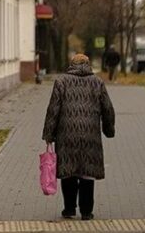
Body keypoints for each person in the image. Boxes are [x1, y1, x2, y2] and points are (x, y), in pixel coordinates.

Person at [42, 54, 116, 221]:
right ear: (88, 64)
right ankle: (86, 211)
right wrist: (109, 130)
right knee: (87, 173)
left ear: (71, 64)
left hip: (66, 135)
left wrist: (49, 134)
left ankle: (69, 209)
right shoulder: (97, 82)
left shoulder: (61, 82)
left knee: (68, 172)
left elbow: (53, 109)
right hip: (90, 135)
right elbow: (108, 109)